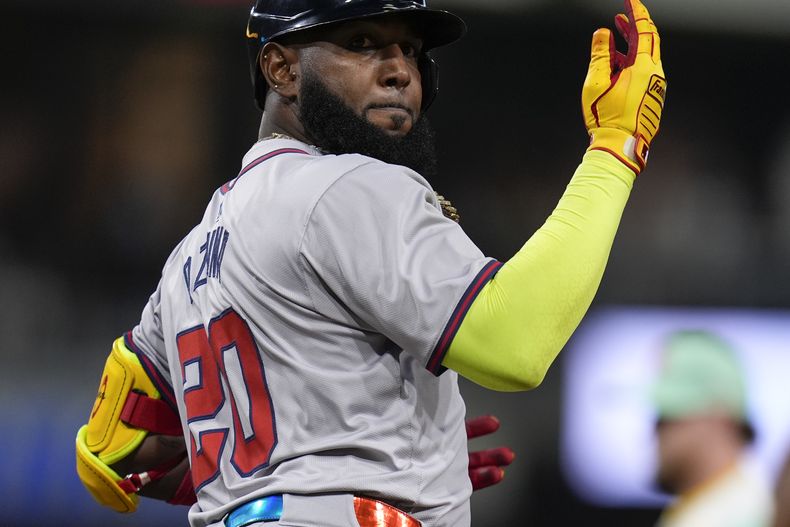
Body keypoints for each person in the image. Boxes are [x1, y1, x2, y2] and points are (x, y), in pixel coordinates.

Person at [74, 0, 666, 525]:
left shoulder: (194, 250)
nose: (400, 70)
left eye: (408, 49)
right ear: (280, 69)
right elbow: (515, 342)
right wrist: (616, 148)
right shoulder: (348, 185)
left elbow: (114, 446)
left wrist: (357, 451)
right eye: (361, 43)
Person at [653, 330, 774, 527]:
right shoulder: (706, 507)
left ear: (719, 415)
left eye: (668, 414)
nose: (656, 429)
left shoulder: (744, 516)